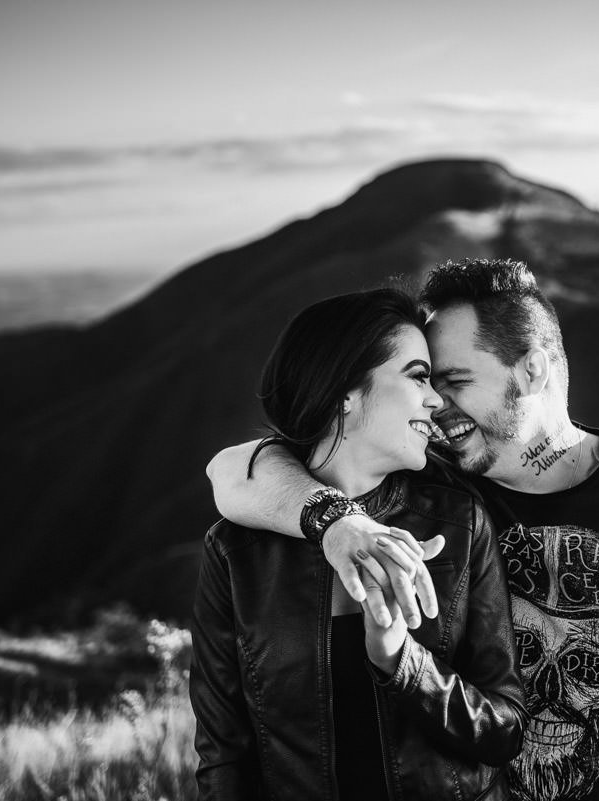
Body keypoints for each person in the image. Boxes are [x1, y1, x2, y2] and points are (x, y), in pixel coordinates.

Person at [207, 260, 599, 801]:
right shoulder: (432, 488)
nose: (437, 406)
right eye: (426, 380)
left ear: (532, 369)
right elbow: (236, 468)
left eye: (456, 381)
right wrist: (337, 519)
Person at [190, 288, 525, 801]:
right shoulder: (235, 552)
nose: (436, 400)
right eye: (417, 377)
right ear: (344, 391)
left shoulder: (457, 523)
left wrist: (401, 662)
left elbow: (505, 729)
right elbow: (224, 755)